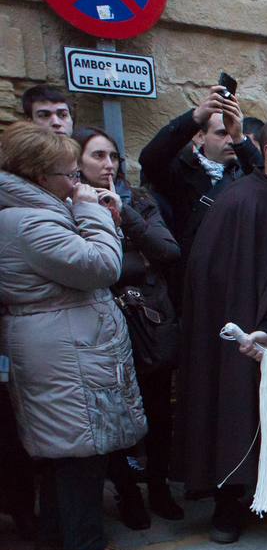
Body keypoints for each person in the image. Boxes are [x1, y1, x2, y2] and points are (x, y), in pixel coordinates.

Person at [0, 121, 143, 550]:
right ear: (40, 177)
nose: (77, 183)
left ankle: (56, 536)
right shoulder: (30, 221)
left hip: (63, 341)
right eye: (71, 175)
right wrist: (93, 212)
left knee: (63, 446)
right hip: (63, 346)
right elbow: (101, 265)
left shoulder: (26, 213)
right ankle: (85, 546)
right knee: (80, 446)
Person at [175, 117, 267, 544]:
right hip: (244, 331)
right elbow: (214, 273)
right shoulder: (238, 201)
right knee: (235, 412)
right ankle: (228, 505)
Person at [75, 127, 184, 528]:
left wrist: (124, 213)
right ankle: (126, 492)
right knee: (113, 412)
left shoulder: (137, 199)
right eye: (97, 157)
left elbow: (167, 250)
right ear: (77, 162)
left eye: (113, 157)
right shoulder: (66, 204)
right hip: (101, 322)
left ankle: (157, 487)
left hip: (147, 321)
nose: (108, 165)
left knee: (157, 409)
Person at [138, 85, 262, 276]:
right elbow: (150, 158)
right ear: (200, 136)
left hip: (234, 275)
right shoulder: (179, 171)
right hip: (187, 276)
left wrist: (240, 138)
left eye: (232, 132)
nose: (229, 139)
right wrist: (195, 117)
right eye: (222, 133)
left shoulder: (245, 174)